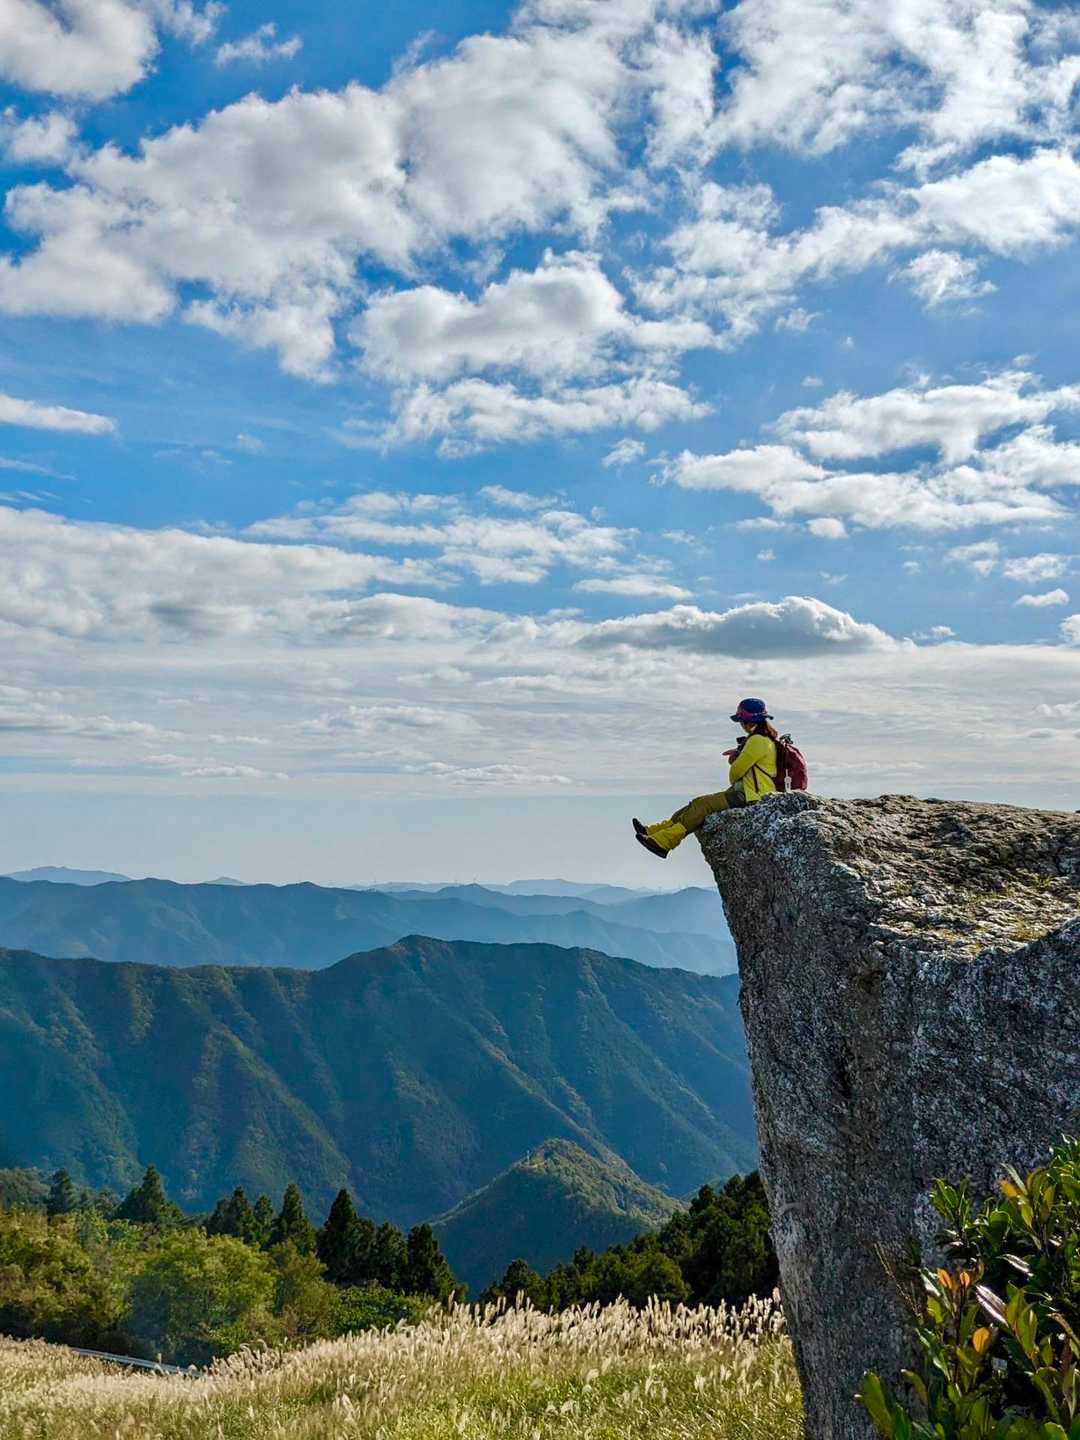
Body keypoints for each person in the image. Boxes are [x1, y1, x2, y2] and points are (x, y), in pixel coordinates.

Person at [633, 698, 779, 858]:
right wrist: (739, 754)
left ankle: (665, 842)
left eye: (741, 720)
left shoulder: (757, 740)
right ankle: (654, 832)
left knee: (702, 806)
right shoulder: (764, 740)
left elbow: (736, 772)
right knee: (696, 804)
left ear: (747, 720)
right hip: (751, 793)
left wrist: (734, 760)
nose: (741, 725)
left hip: (752, 796)